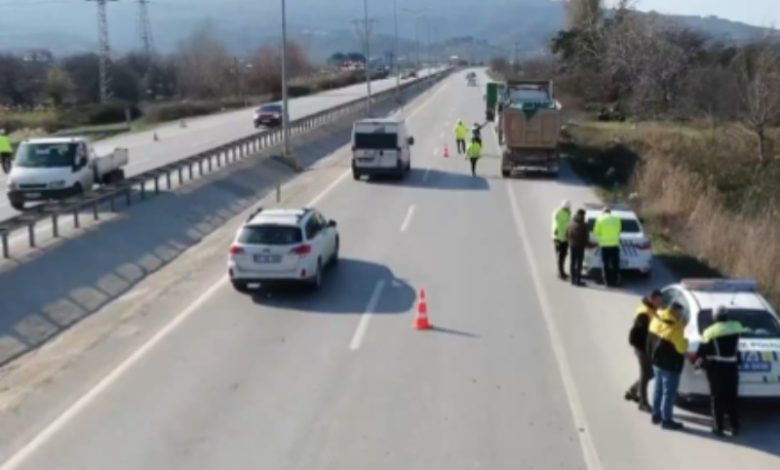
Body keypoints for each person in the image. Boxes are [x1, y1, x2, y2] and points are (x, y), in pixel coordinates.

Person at [696, 306, 750, 436]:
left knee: (717, 398)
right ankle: (735, 426)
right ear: (727, 316)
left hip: (716, 368)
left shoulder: (709, 332)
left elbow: (701, 352)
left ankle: (718, 428)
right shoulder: (736, 326)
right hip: (732, 366)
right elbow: (745, 331)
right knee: (732, 397)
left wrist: (700, 363)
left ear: (714, 317)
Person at [647, 302, 688, 430]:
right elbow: (681, 348)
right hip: (671, 365)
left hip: (657, 362)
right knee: (668, 394)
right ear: (675, 312)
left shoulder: (656, 319)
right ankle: (667, 420)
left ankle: (655, 414)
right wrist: (686, 341)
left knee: (658, 390)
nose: (681, 316)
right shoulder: (676, 328)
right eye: (680, 313)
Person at [625, 289, 663, 411]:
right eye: (658, 301)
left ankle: (633, 390)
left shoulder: (649, 308)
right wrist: (646, 349)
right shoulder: (644, 314)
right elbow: (639, 334)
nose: (660, 303)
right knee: (646, 373)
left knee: (649, 373)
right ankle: (643, 403)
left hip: (646, 347)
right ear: (652, 299)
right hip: (643, 348)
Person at [593, 206, 622, 286]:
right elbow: (619, 230)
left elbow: (596, 232)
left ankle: (607, 282)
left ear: (603, 212)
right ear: (610, 212)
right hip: (615, 245)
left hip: (604, 246)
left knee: (605, 264)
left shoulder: (600, 219)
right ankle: (616, 281)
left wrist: (600, 239)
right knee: (615, 264)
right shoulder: (617, 218)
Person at [566, 208, 588, 286]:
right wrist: (586, 244)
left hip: (572, 245)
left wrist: (569, 241)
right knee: (579, 263)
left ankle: (572, 280)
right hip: (580, 246)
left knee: (572, 262)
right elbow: (586, 236)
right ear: (583, 215)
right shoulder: (584, 224)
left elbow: (566, 234)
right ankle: (578, 280)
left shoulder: (570, 223)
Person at [551, 200, 572, 280]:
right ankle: (560, 273)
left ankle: (562, 271)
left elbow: (568, 223)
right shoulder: (557, 212)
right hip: (558, 237)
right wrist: (555, 234)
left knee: (564, 255)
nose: (567, 209)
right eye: (566, 208)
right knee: (560, 255)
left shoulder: (568, 213)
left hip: (565, 237)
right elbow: (555, 223)